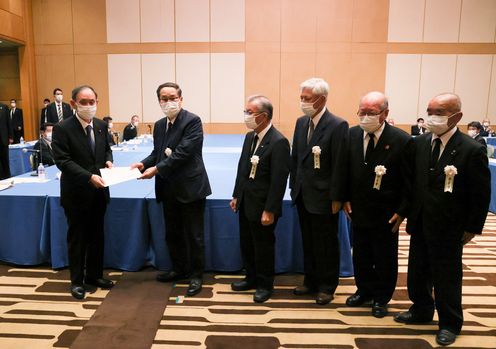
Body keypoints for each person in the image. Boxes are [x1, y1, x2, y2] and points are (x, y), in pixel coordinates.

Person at [394, 93, 490, 346]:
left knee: (446, 276)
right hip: (420, 220)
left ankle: (450, 322)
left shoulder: (472, 149)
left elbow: (481, 193)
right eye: (430, 110)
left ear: (456, 116)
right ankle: (421, 310)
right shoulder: (421, 143)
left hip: (450, 225)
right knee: (417, 271)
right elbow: (412, 182)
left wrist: (473, 227)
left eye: (439, 112)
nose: (432, 116)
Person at [131, 82, 211, 297]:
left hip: (191, 186)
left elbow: (183, 154)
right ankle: (179, 269)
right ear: (159, 102)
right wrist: (143, 164)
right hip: (168, 188)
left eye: (172, 97)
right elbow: (157, 152)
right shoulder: (159, 125)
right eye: (164, 99)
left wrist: (155, 169)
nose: (169, 102)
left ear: (181, 99)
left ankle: (195, 275)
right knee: (173, 233)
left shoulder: (192, 121)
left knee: (194, 235)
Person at [343, 92, 413, 318]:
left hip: (387, 213)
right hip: (358, 209)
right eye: (361, 112)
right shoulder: (351, 135)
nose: (365, 117)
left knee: (384, 256)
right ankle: (364, 290)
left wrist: (402, 211)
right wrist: (344, 198)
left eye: (371, 113)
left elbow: (409, 181)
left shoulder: (401, 140)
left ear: (385, 114)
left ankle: (382, 298)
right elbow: (344, 172)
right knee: (361, 254)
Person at [290, 78, 348, 305]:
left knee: (326, 244)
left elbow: (339, 164)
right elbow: (296, 159)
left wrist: (337, 197)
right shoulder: (301, 122)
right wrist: (294, 185)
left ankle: (327, 285)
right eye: (301, 97)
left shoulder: (337, 124)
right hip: (303, 194)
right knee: (309, 241)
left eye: (307, 98)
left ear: (321, 99)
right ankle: (310, 280)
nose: (302, 102)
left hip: (325, 197)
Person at [52, 85, 114, 300]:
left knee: (98, 236)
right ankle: (77, 281)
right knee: (78, 238)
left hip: (100, 192)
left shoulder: (100, 125)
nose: (89, 106)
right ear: (73, 104)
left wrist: (108, 160)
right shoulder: (62, 128)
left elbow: (106, 149)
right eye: (84, 102)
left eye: (92, 102)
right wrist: (88, 177)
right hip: (76, 193)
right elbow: (62, 161)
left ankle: (95, 276)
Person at [230, 95, 290, 303]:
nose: (246, 116)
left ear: (263, 116)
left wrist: (270, 209)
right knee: (247, 243)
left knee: (263, 246)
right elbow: (242, 169)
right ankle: (251, 278)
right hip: (246, 201)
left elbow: (278, 180)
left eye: (249, 112)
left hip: (263, 206)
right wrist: (237, 195)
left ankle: (265, 284)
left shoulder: (279, 142)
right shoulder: (250, 137)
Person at [0, 102, 13, 179]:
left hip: (3, 138)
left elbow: (9, 122)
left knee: (5, 159)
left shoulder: (4, 107)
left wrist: (10, 136)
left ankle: (7, 176)